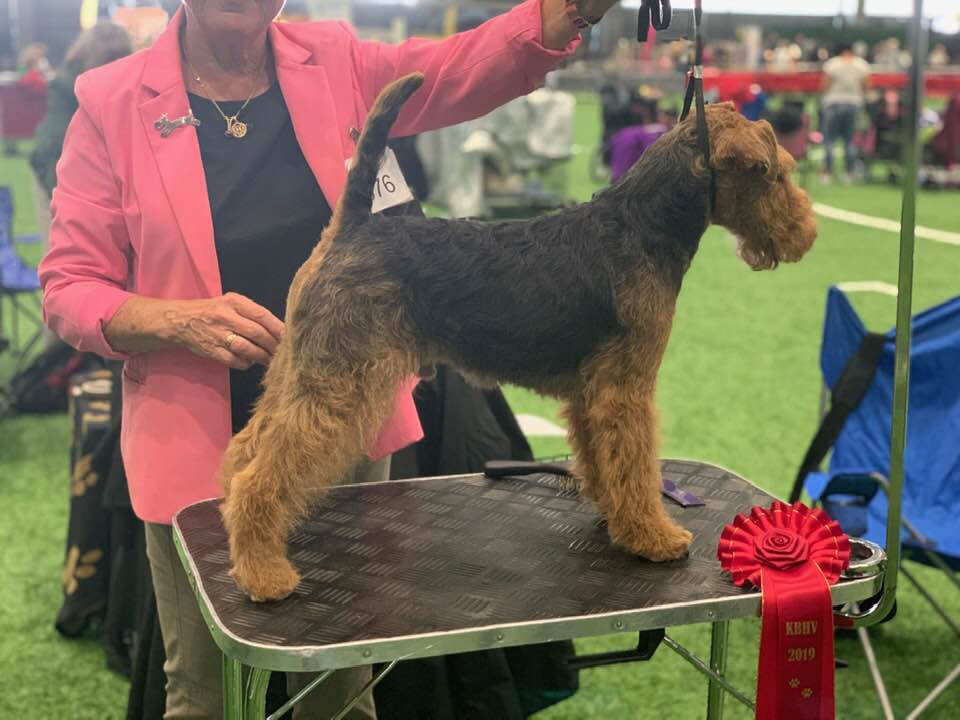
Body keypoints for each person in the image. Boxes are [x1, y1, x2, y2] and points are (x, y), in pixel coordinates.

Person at [38, 1, 619, 717]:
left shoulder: (336, 56)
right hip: (191, 443)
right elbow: (69, 287)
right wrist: (176, 320)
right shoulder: (111, 98)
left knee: (341, 683)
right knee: (203, 693)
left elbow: (454, 68)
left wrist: (564, 12)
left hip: (345, 423)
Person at [31, 22, 133, 196]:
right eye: (112, 57)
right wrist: (61, 196)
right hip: (62, 176)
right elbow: (53, 146)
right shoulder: (66, 85)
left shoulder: (131, 87)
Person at [820, 42, 871, 183]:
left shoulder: (832, 64)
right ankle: (848, 173)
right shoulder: (862, 65)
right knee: (849, 140)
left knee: (829, 140)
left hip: (833, 103)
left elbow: (825, 85)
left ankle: (827, 173)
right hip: (853, 103)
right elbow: (867, 86)